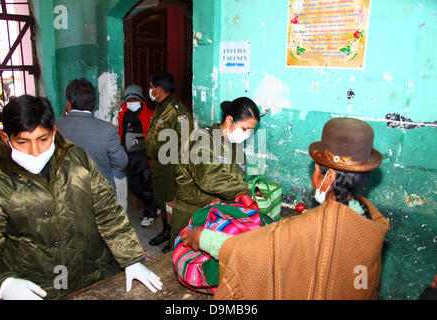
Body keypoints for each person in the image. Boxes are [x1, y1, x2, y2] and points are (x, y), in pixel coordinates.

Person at [182, 117, 390, 300]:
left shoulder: (315, 227)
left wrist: (202, 238)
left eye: (316, 171)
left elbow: (254, 253)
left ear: (330, 178)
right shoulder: (368, 216)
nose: (312, 177)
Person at [0, 95, 162, 300]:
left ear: (53, 132)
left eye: (43, 140)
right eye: (23, 142)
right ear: (6, 139)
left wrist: (131, 259)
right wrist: (3, 283)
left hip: (89, 276)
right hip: (35, 288)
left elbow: (108, 213)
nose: (35, 152)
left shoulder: (77, 161)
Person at [173, 97, 260, 247]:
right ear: (229, 120)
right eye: (245, 129)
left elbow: (236, 179)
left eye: (251, 131)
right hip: (192, 213)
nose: (247, 135)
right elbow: (209, 179)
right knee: (184, 260)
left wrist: (252, 190)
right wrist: (246, 190)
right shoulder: (201, 140)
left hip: (217, 213)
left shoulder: (235, 147)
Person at [145, 72, 193, 253]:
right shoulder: (160, 106)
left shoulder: (179, 111)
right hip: (158, 163)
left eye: (151, 88)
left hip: (171, 165)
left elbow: (186, 141)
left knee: (172, 202)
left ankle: (176, 237)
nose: (150, 91)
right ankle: (166, 231)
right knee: (161, 199)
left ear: (159, 89)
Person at [56, 78, 128, 193]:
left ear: (68, 102)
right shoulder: (108, 130)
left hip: (66, 194)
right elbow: (121, 162)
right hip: (101, 195)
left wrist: (65, 114)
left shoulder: (54, 127)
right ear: (93, 102)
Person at [118, 85, 157, 227]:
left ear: (141, 99)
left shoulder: (150, 114)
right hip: (129, 156)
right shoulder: (123, 113)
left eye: (134, 98)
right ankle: (154, 205)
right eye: (128, 99)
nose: (131, 101)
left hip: (145, 157)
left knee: (146, 186)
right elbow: (121, 133)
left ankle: (150, 213)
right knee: (135, 187)